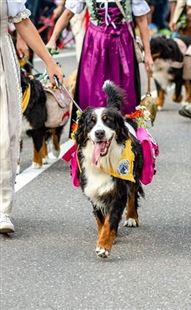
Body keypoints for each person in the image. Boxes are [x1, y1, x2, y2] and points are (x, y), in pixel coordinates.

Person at [0, 0, 63, 234]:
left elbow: (23, 22)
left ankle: (2, 209)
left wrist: (50, 62)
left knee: (5, 132)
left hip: (1, 59)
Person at [46, 0, 153, 131]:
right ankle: (91, 134)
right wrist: (52, 40)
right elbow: (68, 14)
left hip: (123, 44)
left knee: (125, 89)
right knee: (92, 90)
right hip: (95, 44)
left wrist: (147, 54)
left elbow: (142, 21)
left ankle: (126, 133)